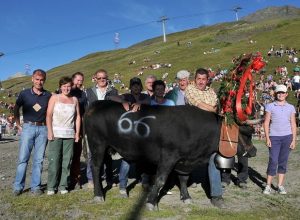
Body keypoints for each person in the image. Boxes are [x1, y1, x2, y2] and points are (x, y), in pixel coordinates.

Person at [185, 68, 224, 208]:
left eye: (203, 79)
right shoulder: (189, 89)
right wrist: (214, 110)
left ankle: (216, 195)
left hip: (210, 131)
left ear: (207, 80)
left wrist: (214, 108)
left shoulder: (211, 91)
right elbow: (198, 104)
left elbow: (215, 104)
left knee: (214, 158)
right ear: (195, 79)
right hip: (193, 131)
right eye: (199, 79)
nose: (201, 82)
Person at [13, 69, 52, 196]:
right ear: (32, 79)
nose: (39, 82)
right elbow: (16, 108)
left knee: (39, 160)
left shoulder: (48, 95)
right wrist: (18, 124)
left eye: (41, 80)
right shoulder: (24, 94)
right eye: (37, 79)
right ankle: (18, 186)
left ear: (44, 80)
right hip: (28, 127)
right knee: (23, 159)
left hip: (43, 129)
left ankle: (36, 186)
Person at [110, 77, 151, 198]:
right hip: (128, 132)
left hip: (144, 132)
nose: (136, 87)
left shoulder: (145, 97)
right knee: (126, 159)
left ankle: (144, 181)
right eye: (134, 85)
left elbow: (149, 101)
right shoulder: (127, 96)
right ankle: (123, 186)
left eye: (138, 85)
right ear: (131, 87)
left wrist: (140, 103)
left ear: (141, 86)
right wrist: (123, 101)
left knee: (145, 158)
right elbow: (111, 97)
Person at [46, 76, 81, 195]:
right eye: (64, 86)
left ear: (71, 87)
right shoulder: (54, 98)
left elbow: (77, 117)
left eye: (68, 86)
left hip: (69, 134)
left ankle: (63, 185)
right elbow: (49, 115)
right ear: (60, 87)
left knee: (67, 161)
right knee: (54, 160)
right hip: (55, 133)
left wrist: (77, 133)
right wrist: (50, 131)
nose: (66, 88)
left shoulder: (75, 99)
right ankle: (51, 186)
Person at [85, 69, 118, 189]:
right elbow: (86, 109)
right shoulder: (89, 91)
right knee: (92, 154)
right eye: (99, 78)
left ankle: (109, 178)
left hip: (109, 127)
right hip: (93, 127)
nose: (102, 80)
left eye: (104, 78)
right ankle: (92, 179)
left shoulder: (113, 91)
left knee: (108, 154)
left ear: (107, 78)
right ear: (95, 78)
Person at [263, 84, 296, 195]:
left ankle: (280, 185)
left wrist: (294, 140)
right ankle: (268, 186)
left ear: (286, 94)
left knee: (283, 162)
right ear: (276, 94)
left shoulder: (291, 107)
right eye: (279, 93)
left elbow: (293, 124)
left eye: (283, 93)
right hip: (274, 137)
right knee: (273, 161)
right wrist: (267, 138)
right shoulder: (270, 106)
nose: (281, 94)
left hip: (287, 137)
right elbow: (266, 122)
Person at [69, 72, 87, 190]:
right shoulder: (65, 90)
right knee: (64, 155)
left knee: (76, 154)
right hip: (64, 126)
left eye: (81, 81)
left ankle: (75, 179)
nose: (80, 83)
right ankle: (62, 179)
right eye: (78, 80)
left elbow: (84, 111)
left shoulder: (82, 94)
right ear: (73, 79)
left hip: (78, 127)